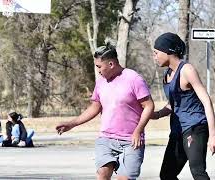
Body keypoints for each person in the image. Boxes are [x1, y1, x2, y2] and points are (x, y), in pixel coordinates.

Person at [56, 43, 154, 180]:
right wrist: (72, 124)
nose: (98, 71)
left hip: (131, 141)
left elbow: (149, 106)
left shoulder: (134, 79)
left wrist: (138, 131)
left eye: (99, 67)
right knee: (102, 173)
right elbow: (94, 107)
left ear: (111, 64)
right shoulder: (101, 82)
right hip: (106, 139)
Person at [151, 32, 215, 180]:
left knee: (198, 172)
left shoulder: (187, 70)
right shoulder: (167, 75)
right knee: (166, 175)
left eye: (156, 53)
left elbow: (206, 101)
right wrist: (156, 114)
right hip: (177, 130)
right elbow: (173, 104)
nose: (154, 56)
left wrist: (213, 135)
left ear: (168, 51)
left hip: (195, 127)